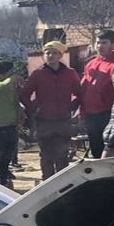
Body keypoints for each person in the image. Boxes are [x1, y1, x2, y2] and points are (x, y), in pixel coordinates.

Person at [20, 41, 81, 179]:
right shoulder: (37, 74)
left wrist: (73, 106)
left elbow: (79, 93)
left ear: (60, 55)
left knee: (62, 155)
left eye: (54, 53)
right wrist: (33, 108)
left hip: (63, 120)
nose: (51, 56)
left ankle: (62, 183)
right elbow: (24, 94)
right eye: (48, 53)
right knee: (46, 155)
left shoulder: (70, 74)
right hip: (43, 121)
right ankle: (47, 181)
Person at [80, 29, 114, 159]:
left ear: (113, 44)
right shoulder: (91, 63)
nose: (100, 46)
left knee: (109, 150)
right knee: (96, 150)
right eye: (98, 43)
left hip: (109, 113)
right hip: (91, 113)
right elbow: (83, 86)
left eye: (104, 42)